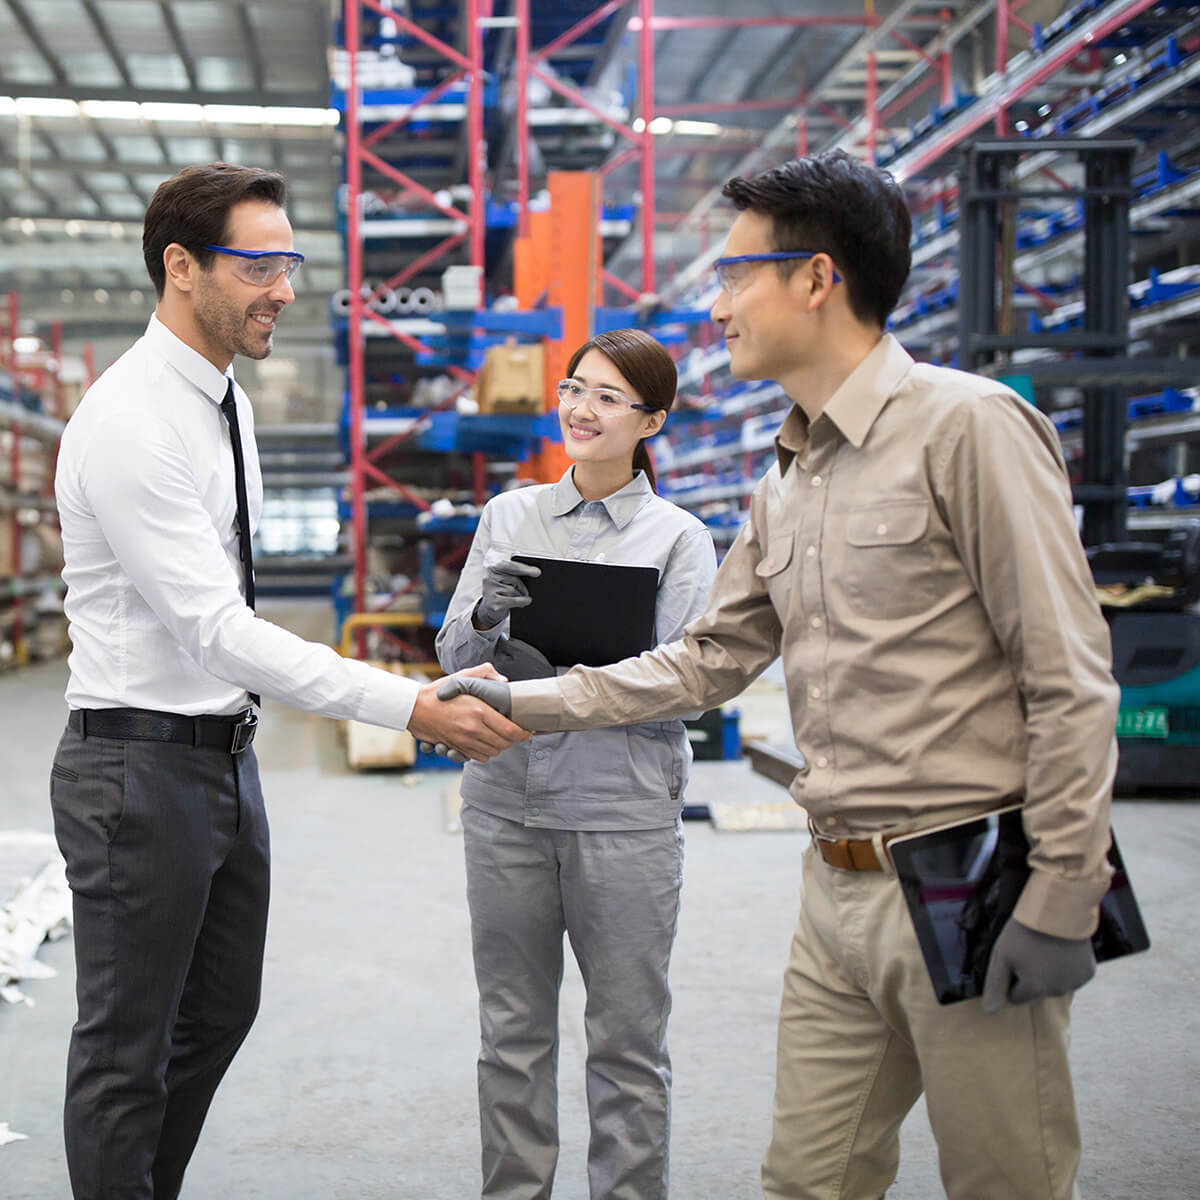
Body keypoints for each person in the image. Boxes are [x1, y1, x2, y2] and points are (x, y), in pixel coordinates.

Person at [440, 151, 1120, 1200]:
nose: (716, 306)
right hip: (834, 880)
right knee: (805, 1182)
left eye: (735, 277)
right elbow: (706, 661)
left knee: (1006, 1181)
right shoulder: (790, 474)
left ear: (816, 279)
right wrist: (517, 699)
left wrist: (1066, 889)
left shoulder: (969, 428)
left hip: (966, 869)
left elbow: (1069, 678)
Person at [49, 161, 526, 1200]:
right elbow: (216, 628)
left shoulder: (228, 408)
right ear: (180, 267)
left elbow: (235, 623)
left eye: (291, 261)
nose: (286, 288)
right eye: (260, 263)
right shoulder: (132, 420)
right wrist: (404, 703)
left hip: (221, 757)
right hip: (135, 766)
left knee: (220, 1010)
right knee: (125, 1054)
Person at [435, 328, 717, 1200]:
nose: (582, 409)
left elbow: (693, 687)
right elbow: (452, 654)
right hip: (506, 809)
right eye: (575, 388)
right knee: (511, 1033)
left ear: (652, 422)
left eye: (608, 397)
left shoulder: (678, 540)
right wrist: (486, 616)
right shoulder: (508, 517)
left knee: (629, 1040)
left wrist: (565, 682)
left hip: (622, 813)